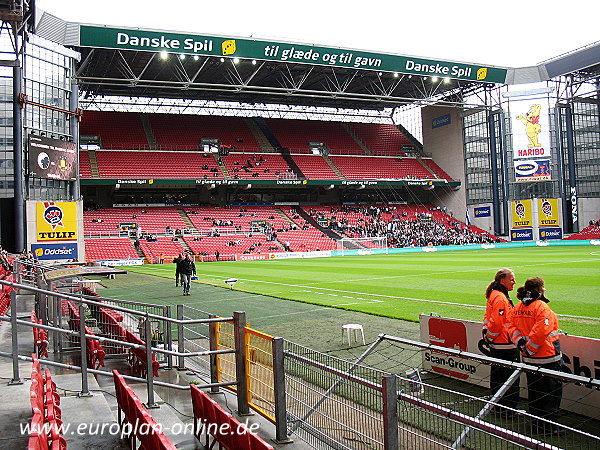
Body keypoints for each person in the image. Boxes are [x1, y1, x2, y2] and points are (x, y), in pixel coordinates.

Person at [508, 277, 564, 435]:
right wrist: (530, 349)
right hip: (546, 357)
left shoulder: (519, 306)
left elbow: (511, 326)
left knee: (535, 392)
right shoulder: (541, 307)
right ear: (540, 289)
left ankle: (536, 424)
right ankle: (547, 428)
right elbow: (541, 332)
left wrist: (521, 346)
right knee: (550, 394)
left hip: (528, 358)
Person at [482, 268, 520, 413]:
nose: (514, 282)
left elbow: (488, 317)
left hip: (500, 343)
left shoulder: (496, 294)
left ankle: (498, 406)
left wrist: (487, 335)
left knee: (498, 376)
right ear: (502, 280)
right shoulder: (500, 297)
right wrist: (490, 337)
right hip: (504, 344)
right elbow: (497, 323)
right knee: (508, 378)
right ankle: (507, 408)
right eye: (512, 279)